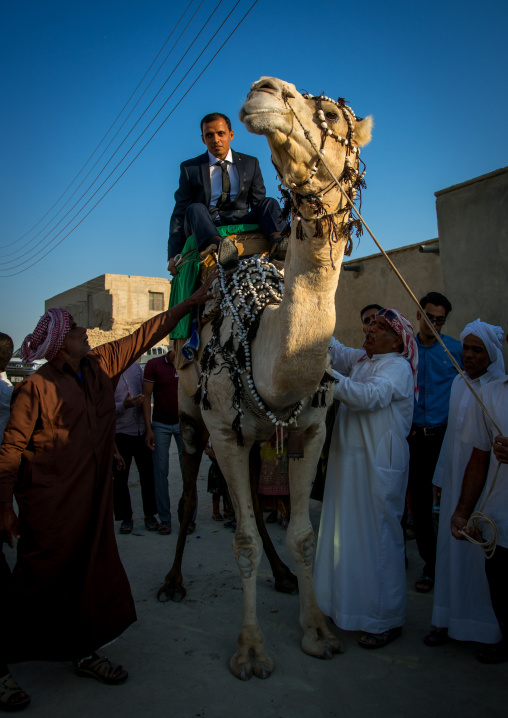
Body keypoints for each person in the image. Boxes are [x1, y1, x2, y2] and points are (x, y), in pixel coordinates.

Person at [0, 278, 214, 703]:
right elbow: (10, 451)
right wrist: (5, 509)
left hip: (93, 501)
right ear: (61, 343)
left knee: (89, 577)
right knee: (37, 581)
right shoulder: (35, 389)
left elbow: (143, 335)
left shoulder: (99, 365)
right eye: (76, 328)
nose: (84, 331)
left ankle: (83, 652)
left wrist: (189, 302)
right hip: (50, 504)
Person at [314, 308, 418, 648]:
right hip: (349, 466)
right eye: (370, 323)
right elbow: (336, 349)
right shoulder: (363, 361)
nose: (370, 329)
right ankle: (341, 606)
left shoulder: (398, 367)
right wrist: (314, 318)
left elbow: (367, 397)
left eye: (380, 326)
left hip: (377, 467)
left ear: (397, 339)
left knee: (380, 542)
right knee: (346, 535)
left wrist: (326, 375)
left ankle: (384, 619)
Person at [425, 320, 506, 648]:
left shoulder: (497, 388)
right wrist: (441, 477)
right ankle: (446, 619)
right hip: (456, 485)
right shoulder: (460, 382)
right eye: (466, 348)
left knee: (478, 560)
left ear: (492, 355)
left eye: (477, 350)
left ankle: (483, 629)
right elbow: (450, 439)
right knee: (450, 551)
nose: (469, 356)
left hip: (486, 489)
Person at [167, 112, 286, 271]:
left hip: (241, 218)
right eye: (209, 135)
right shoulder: (190, 168)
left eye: (220, 134)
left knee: (269, 202)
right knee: (193, 208)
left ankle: (280, 243)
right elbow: (179, 212)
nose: (215, 140)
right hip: (206, 222)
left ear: (231, 135)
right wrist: (173, 254)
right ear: (203, 139)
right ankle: (220, 247)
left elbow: (258, 203)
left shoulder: (251, 163)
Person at [407, 291, 462, 593]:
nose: (435, 324)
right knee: (421, 504)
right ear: (419, 314)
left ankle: (457, 565)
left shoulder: (456, 351)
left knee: (452, 501)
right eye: (430, 317)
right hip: (413, 438)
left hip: (445, 437)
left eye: (440, 320)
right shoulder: (406, 350)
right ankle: (430, 566)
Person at [451, 375, 508, 663]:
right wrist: (462, 510)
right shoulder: (490, 394)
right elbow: (479, 457)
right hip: (499, 521)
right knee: (500, 588)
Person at [143, 348, 193, 535]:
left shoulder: (189, 364)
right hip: (160, 425)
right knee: (160, 472)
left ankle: (188, 517)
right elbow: (147, 396)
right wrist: (149, 429)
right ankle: (165, 518)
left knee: (188, 472)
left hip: (184, 424)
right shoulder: (154, 365)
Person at [113, 362, 159, 535]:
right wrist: (124, 405)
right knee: (120, 477)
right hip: (120, 432)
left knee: (147, 474)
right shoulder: (109, 372)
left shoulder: (136, 368)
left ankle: (150, 515)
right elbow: (104, 407)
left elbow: (146, 395)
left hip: (140, 430)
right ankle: (126, 517)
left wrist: (148, 429)